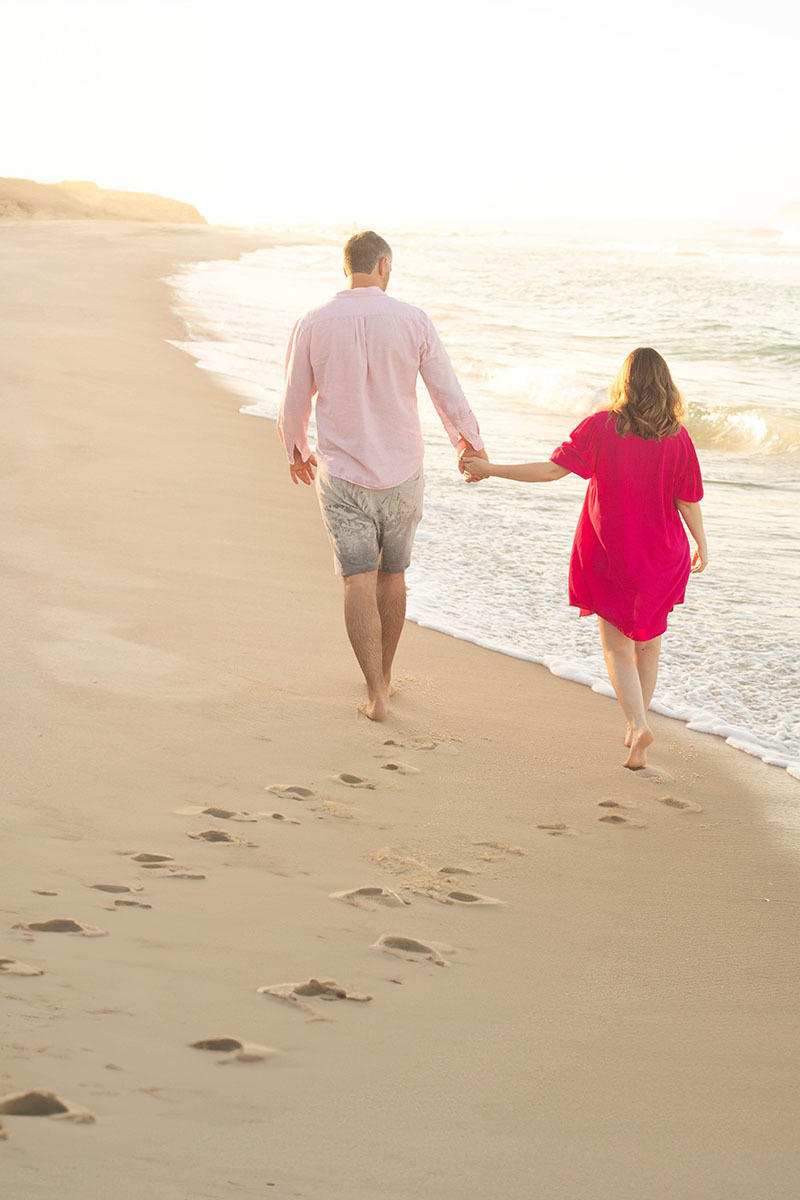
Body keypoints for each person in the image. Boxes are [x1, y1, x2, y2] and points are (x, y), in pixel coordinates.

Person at [463, 347, 708, 769]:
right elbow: (687, 500)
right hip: (664, 556)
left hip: (614, 555)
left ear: (624, 383)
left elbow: (552, 470)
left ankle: (637, 724)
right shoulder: (678, 437)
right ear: (666, 386)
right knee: (647, 647)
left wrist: (492, 469)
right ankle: (637, 729)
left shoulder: (601, 426)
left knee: (617, 648)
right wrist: (703, 543)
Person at [278, 230, 488, 721]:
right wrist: (469, 444)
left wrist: (296, 449)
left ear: (346, 266)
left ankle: (373, 692)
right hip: (402, 471)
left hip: (343, 474)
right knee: (393, 577)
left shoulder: (313, 321)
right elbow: (445, 389)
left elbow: (293, 399)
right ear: (385, 265)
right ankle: (387, 677)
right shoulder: (413, 320)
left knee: (357, 581)